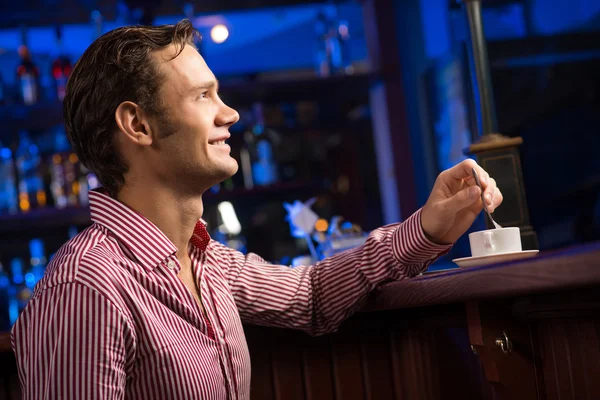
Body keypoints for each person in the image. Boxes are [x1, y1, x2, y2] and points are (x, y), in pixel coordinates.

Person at [11, 20, 502, 399]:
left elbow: (310, 294)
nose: (230, 114)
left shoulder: (208, 261)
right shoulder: (88, 288)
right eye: (203, 96)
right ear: (137, 124)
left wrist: (430, 226)